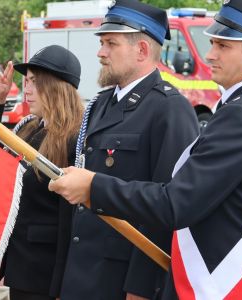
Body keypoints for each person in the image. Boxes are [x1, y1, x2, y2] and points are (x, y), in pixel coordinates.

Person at [49, 0, 242, 299]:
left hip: (221, 281)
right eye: (212, 43)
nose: (210, 54)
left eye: (222, 46)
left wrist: (93, 186)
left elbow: (175, 203)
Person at [53, 1, 199, 299]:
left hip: (119, 281)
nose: (100, 52)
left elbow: (166, 209)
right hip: (81, 274)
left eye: (110, 44)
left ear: (142, 50)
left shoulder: (169, 110)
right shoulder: (100, 104)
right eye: (102, 43)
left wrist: (141, 289)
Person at [0, 45, 84, 300]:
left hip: (46, 271)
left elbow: (71, 217)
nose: (27, 89)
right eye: (26, 81)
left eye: (35, 82)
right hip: (22, 265)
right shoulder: (28, 128)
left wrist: (60, 286)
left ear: (56, 87)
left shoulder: (75, 137)